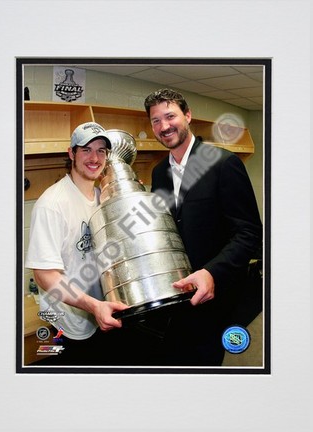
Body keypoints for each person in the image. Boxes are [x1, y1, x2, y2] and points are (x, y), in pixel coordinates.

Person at [141, 88, 263, 366]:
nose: (164, 126)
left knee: (206, 361)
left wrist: (211, 272)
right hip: (176, 292)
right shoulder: (159, 172)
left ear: (187, 115)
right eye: (155, 121)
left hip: (215, 293)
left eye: (170, 116)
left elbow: (249, 233)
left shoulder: (223, 163)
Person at [25, 122, 129, 366]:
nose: (95, 158)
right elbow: (44, 275)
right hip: (70, 323)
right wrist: (92, 306)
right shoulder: (52, 204)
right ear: (71, 153)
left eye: (101, 151)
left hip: (102, 310)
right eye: (86, 150)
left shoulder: (101, 197)